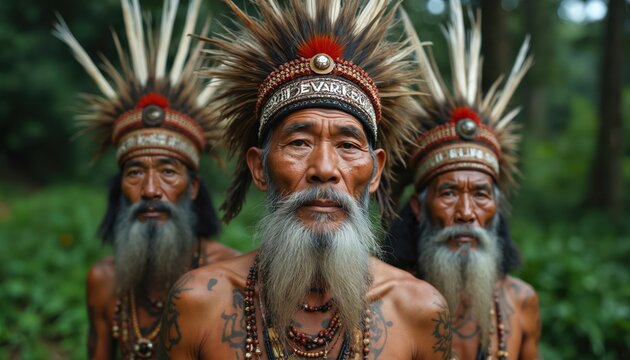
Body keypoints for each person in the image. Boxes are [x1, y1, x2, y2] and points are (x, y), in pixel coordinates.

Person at [160, 0, 454, 359]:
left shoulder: (420, 311)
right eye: (299, 142)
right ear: (259, 169)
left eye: (347, 145)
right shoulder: (198, 303)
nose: (324, 168)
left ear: (375, 171)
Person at [54, 1, 239, 358]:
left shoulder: (230, 280)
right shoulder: (106, 282)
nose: (151, 190)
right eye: (135, 172)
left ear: (194, 186)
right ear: (120, 185)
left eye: (169, 172)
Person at [383, 1, 541, 359]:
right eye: (449, 192)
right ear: (417, 207)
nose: (466, 212)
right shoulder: (384, 304)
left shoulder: (522, 302)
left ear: (497, 207)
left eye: (481, 194)